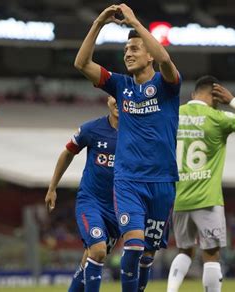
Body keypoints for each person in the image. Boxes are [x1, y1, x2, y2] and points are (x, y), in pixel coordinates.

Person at [74, 4, 181, 291]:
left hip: (162, 182)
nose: (129, 54)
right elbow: (82, 64)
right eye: (125, 51)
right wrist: (98, 23)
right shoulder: (120, 86)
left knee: (147, 255)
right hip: (128, 182)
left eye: (135, 49)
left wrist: (134, 21)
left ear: (149, 54)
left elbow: (167, 60)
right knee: (132, 249)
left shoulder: (167, 86)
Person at [166, 76, 235, 292]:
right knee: (211, 255)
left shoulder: (174, 114)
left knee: (184, 251)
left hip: (180, 197)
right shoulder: (218, 117)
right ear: (217, 97)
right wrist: (233, 101)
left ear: (193, 94)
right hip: (207, 199)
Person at [45, 96, 119, 292]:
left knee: (90, 258)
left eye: (123, 98)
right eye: (115, 97)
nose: (119, 102)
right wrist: (52, 187)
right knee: (98, 251)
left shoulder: (136, 133)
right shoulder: (92, 129)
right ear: (108, 100)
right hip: (91, 202)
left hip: (119, 208)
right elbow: (67, 153)